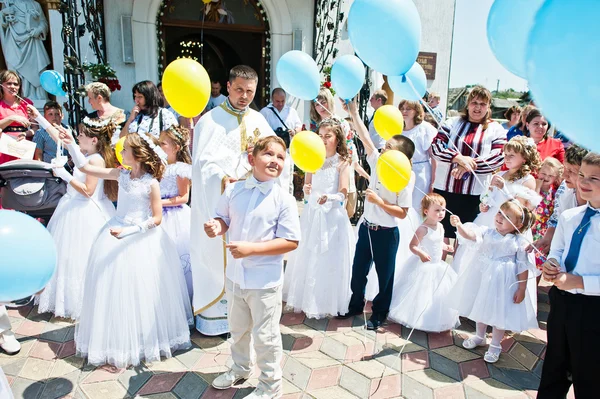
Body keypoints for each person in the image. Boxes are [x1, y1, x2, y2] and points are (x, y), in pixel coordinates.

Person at [56, 128, 192, 367]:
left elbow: (157, 218)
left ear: (137, 154)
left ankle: (142, 338)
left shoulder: (151, 184)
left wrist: (129, 231)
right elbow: (86, 168)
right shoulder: (121, 174)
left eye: (125, 150)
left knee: (141, 290)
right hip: (115, 231)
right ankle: (117, 335)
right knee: (114, 289)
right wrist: (71, 146)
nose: (121, 152)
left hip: (140, 238)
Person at [191, 65, 290, 336]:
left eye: (250, 91)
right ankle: (217, 320)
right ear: (227, 87)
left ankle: (250, 316)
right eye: (239, 90)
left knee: (250, 253)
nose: (244, 96)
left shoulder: (259, 120)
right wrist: (223, 180)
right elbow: (202, 165)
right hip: (223, 201)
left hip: (253, 204)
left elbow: (277, 156)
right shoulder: (210, 121)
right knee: (220, 255)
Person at [205, 136, 301, 399]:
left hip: (264, 282)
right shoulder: (234, 190)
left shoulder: (284, 199)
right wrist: (217, 226)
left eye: (281, 157)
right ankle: (240, 368)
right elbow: (223, 217)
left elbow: (291, 241)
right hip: (236, 277)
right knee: (237, 329)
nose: (275, 161)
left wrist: (251, 249)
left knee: (266, 336)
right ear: (252, 159)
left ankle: (270, 385)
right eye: (268, 154)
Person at [29, 109, 117, 319]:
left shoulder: (95, 160)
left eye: (81, 135)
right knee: (66, 258)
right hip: (70, 208)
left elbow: (88, 191)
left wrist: (64, 175)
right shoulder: (85, 154)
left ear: (93, 139)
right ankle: (66, 299)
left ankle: (82, 300)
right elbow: (57, 136)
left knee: (79, 258)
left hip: (85, 213)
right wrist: (38, 117)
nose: (78, 138)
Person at [339, 99, 415, 330]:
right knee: (358, 271)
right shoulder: (379, 162)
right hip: (367, 228)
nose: (384, 148)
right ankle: (355, 304)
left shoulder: (406, 177)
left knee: (385, 278)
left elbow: (402, 213)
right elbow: (366, 139)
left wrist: (380, 202)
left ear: (401, 155)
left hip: (386, 234)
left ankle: (379, 314)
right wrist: (353, 111)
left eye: (390, 147)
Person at [537, 152, 600, 399]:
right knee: (554, 367)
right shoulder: (569, 216)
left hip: (594, 309)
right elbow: (558, 250)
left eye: (595, 178)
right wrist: (551, 264)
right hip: (562, 302)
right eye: (582, 175)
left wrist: (580, 282)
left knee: (590, 375)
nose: (584, 182)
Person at [450, 200, 538, 364]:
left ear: (519, 224)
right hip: (484, 277)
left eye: (506, 216)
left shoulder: (519, 242)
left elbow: (523, 266)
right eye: (499, 212)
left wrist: (521, 288)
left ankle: (495, 345)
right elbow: (470, 235)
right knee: (481, 306)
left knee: (500, 312)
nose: (499, 217)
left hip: (503, 283)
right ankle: (479, 336)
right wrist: (459, 225)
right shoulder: (487, 232)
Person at [283, 120, 354, 319]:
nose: (323, 140)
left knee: (330, 257)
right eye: (320, 136)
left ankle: (328, 300)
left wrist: (329, 198)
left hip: (332, 217)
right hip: (313, 213)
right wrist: (307, 191)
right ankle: (308, 298)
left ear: (337, 139)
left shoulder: (342, 162)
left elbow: (343, 193)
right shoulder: (312, 158)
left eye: (327, 136)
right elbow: (307, 188)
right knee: (310, 254)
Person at [431, 86, 507, 243]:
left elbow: (498, 158)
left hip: (475, 194)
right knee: (441, 234)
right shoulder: (452, 122)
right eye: (474, 103)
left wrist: (468, 165)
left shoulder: (496, 129)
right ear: (467, 104)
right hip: (446, 189)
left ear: (488, 107)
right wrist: (458, 158)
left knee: (466, 237)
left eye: (482, 104)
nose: (477, 107)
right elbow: (436, 148)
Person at [388, 193, 459, 332]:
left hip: (438, 265)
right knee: (420, 293)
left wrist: (446, 247)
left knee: (436, 294)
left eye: (443, 210)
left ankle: (433, 319)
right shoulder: (422, 228)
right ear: (426, 211)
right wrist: (421, 252)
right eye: (437, 210)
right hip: (424, 265)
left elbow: (437, 242)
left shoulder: (440, 227)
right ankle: (414, 317)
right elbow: (412, 246)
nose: (441, 213)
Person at [528, 145, 589, 261]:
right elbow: (557, 217)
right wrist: (549, 237)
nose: (565, 175)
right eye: (565, 168)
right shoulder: (564, 188)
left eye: (571, 171)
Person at [159, 126, 194, 302]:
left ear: (176, 148)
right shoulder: (160, 166)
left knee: (177, 257)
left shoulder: (180, 169)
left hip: (175, 216)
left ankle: (182, 300)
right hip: (159, 214)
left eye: (162, 143)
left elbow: (183, 197)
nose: (159, 146)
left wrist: (158, 202)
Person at [474, 136, 540, 227]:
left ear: (524, 158)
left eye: (511, 155)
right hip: (488, 219)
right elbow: (490, 195)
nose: (507, 158)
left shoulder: (527, 180)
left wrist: (503, 189)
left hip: (507, 223)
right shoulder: (500, 174)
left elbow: (519, 208)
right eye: (505, 155)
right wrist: (485, 204)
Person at [0, 0, 50, 101]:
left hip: (33, 41)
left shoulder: (35, 4)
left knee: (36, 68)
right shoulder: (8, 2)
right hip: (13, 41)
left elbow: (43, 22)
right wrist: (3, 14)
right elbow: (2, 24)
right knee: (14, 69)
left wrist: (38, 30)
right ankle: (18, 97)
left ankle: (37, 97)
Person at [399, 99, 438, 214]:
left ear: (416, 111)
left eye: (408, 109)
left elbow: (434, 157)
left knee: (417, 207)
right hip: (401, 172)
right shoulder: (398, 128)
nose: (404, 111)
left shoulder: (424, 129)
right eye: (402, 108)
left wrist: (433, 182)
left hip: (420, 173)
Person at [532, 157, 564, 269]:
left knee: (540, 259)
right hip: (530, 227)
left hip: (544, 231)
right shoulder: (532, 187)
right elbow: (531, 204)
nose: (545, 177)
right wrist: (537, 187)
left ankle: (535, 285)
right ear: (538, 172)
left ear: (555, 178)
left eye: (550, 176)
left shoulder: (555, 194)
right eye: (543, 173)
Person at [0, 70, 33, 164]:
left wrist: (26, 134)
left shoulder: (27, 103)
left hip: (24, 146)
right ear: (1, 85)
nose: (13, 87)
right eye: (9, 83)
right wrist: (12, 118)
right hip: (4, 147)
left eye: (16, 84)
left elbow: (35, 128)